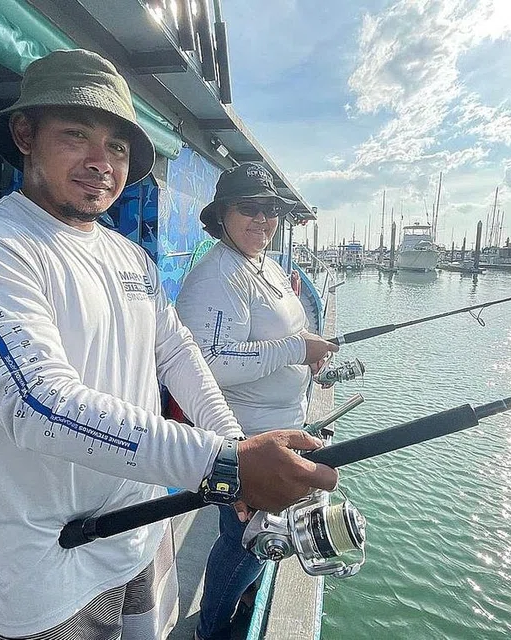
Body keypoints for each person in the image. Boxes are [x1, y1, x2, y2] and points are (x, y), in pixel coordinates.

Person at [0, 49, 338, 640]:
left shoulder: (126, 254)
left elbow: (178, 351)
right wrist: (221, 466)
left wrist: (235, 444)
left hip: (141, 535)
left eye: (117, 147)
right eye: (75, 135)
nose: (100, 161)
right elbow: (38, 403)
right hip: (47, 569)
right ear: (24, 134)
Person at [175, 163, 340, 640]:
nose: (262, 219)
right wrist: (295, 350)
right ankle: (211, 630)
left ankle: (238, 597)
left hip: (280, 425)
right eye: (249, 208)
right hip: (245, 436)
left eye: (269, 210)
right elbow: (207, 362)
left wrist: (305, 347)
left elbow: (277, 333)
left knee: (253, 536)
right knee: (241, 540)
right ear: (222, 214)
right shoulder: (215, 277)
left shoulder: (262, 263)